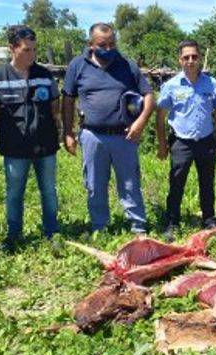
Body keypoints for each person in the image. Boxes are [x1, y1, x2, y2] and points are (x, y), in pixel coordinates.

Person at [62, 23, 155, 234]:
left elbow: (149, 95)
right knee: (94, 184)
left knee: (130, 183)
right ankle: (99, 227)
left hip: (124, 136)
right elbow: (68, 100)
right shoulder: (78, 65)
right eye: (103, 44)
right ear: (91, 44)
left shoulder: (126, 65)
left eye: (112, 44)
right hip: (92, 136)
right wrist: (67, 132)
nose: (109, 48)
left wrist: (140, 122)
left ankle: (138, 226)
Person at [0, 26, 60, 248]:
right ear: (12, 49)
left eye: (34, 50)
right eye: (26, 50)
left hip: (45, 145)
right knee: (14, 193)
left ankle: (52, 232)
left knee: (49, 191)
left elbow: (54, 106)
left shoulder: (45, 76)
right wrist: (8, 126)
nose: (32, 55)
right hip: (15, 148)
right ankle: (14, 235)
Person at [156, 40, 216, 241]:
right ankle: (172, 222)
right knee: (176, 182)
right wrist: (162, 144)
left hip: (205, 140)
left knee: (207, 182)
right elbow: (160, 115)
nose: (190, 61)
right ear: (180, 60)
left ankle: (209, 219)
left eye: (194, 56)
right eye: (186, 57)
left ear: (200, 58)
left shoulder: (211, 84)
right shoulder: (171, 86)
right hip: (181, 142)